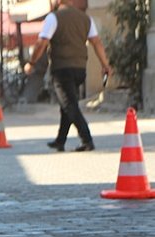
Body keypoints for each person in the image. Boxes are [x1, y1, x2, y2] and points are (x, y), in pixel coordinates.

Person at [25, 0, 112, 152]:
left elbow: (42, 42)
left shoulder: (53, 18)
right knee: (67, 102)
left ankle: (87, 140)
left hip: (62, 69)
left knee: (69, 105)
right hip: (80, 69)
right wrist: (105, 65)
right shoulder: (86, 18)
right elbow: (96, 42)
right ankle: (60, 140)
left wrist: (32, 63)